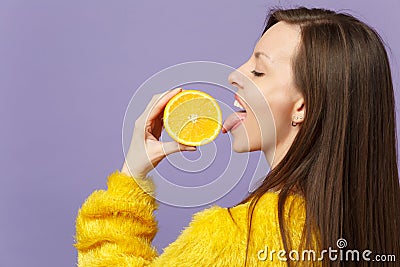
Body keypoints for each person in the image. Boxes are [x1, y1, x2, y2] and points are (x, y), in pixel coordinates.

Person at [74, 7, 400, 266]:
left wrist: (130, 179)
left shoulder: (236, 239)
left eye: (258, 70)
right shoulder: (374, 225)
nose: (234, 75)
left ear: (302, 106)